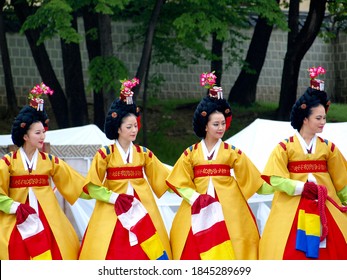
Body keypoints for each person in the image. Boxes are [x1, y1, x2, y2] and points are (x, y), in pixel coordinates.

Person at [165, 72, 265, 260]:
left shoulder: (232, 151)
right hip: (196, 204)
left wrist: (281, 185)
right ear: (205, 126)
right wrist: (195, 197)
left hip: (230, 205)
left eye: (222, 124)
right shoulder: (191, 153)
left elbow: (253, 179)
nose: (221, 128)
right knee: (189, 243)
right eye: (215, 124)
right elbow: (179, 182)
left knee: (237, 239)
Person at [78, 78, 172, 260]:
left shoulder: (144, 153)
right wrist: (114, 197)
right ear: (118, 129)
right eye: (128, 127)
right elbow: (92, 186)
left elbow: (166, 178)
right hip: (112, 207)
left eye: (135, 126)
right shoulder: (105, 154)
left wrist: (192, 182)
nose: (133, 130)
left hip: (143, 206)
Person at [259, 66, 347, 259]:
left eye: (324, 117)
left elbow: (343, 182)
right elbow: (275, 178)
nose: (323, 122)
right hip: (292, 206)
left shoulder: (329, 148)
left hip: (326, 205)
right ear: (305, 119)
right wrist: (300, 187)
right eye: (318, 118)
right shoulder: (284, 148)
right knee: (285, 249)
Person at [0, 82, 88, 260]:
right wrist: (16, 206)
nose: (43, 137)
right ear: (25, 136)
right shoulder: (8, 163)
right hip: (17, 218)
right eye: (38, 133)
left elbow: (76, 183)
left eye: (43, 132)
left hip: (48, 219)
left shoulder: (50, 161)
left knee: (61, 246)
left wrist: (107, 195)